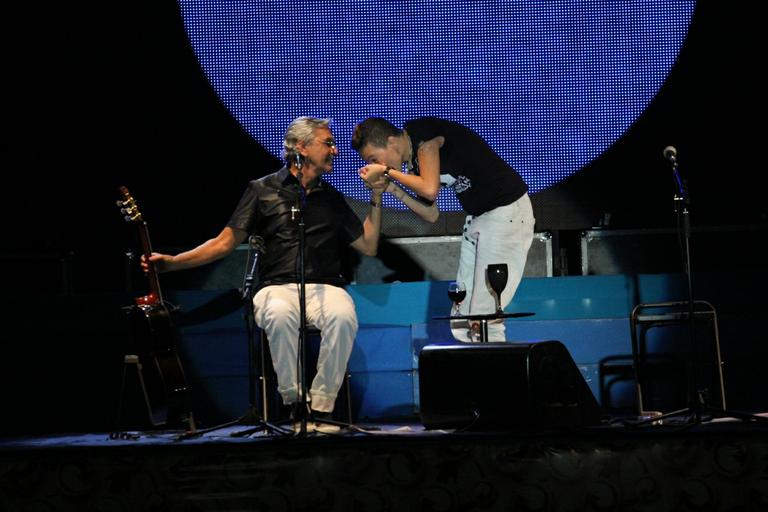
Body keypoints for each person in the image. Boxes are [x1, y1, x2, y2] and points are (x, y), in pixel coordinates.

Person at [143, 116, 385, 432]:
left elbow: (368, 246)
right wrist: (173, 262)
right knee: (279, 314)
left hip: (325, 286)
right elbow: (224, 242)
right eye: (328, 143)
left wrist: (377, 197)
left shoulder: (331, 197)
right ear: (302, 147)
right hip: (277, 286)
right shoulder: (262, 190)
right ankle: (296, 405)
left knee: (343, 317)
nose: (336, 150)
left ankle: (322, 409)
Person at [351, 116, 535, 342]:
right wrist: (391, 188)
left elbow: (429, 189)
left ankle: (494, 374)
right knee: (462, 318)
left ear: (391, 142)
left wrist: (387, 172)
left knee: (484, 316)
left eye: (374, 158)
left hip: (506, 213)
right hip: (480, 220)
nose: (376, 165)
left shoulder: (421, 133)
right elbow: (431, 214)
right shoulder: (415, 165)